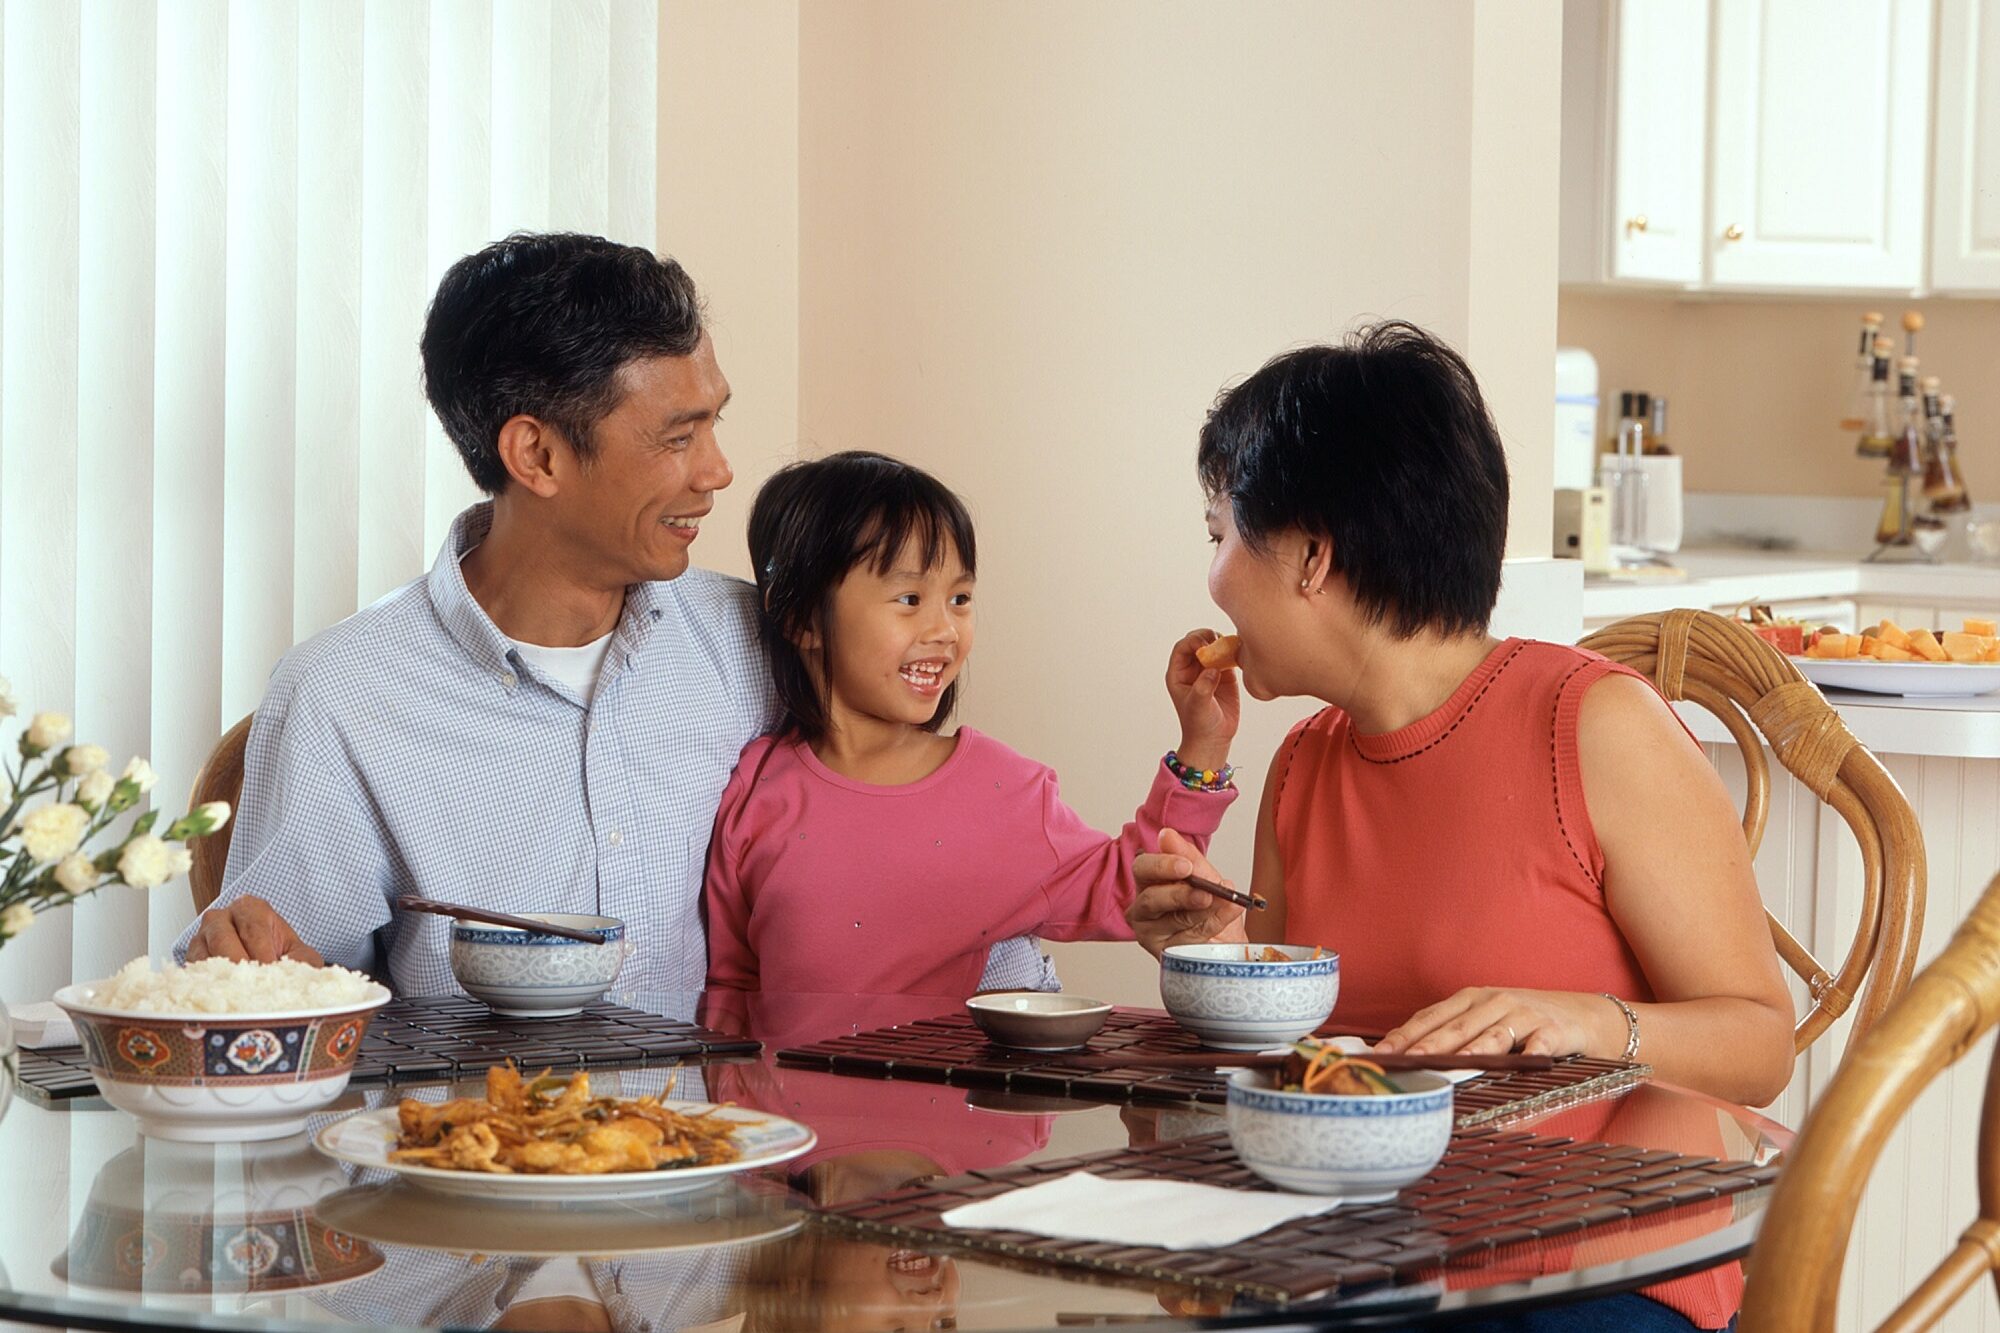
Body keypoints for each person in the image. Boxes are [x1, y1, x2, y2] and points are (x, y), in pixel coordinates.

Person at [1124, 323, 1793, 1332]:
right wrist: (1218, 961)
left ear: (1311, 555)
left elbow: (1757, 1039)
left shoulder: (1594, 724)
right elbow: (1311, 1066)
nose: (1212, 576)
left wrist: (1579, 1023)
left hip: (1604, 1245)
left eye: (1218, 532)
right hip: (1383, 1245)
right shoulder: (1303, 763)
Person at [173, 233, 1051, 995]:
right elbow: (269, 989)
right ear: (538, 453)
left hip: (761, 1171)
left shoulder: (768, 644)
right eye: (677, 437)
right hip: (476, 1171)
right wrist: (255, 972)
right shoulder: (346, 695)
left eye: (714, 424)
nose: (717, 471)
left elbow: (940, 844)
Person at [702, 451, 1240, 996]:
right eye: (909, 599)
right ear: (799, 617)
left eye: (959, 598)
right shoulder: (755, 787)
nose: (945, 629)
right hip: (778, 1085)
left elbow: (1136, 885)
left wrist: (1204, 745)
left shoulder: (1004, 789)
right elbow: (731, 987)